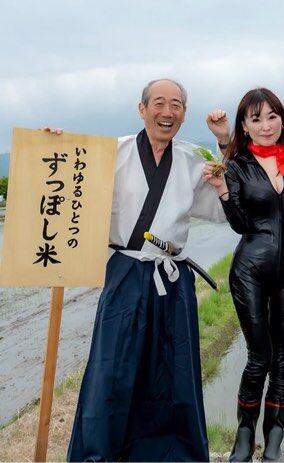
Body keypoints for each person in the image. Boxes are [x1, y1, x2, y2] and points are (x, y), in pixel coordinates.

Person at [64, 78, 227, 462]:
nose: (167, 112)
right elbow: (70, 182)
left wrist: (224, 148)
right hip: (126, 272)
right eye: (158, 103)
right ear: (142, 109)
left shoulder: (193, 160)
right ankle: (99, 454)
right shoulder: (112, 153)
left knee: (173, 371)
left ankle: (173, 455)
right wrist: (52, 147)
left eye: (176, 105)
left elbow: (224, 209)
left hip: (172, 278)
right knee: (112, 368)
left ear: (184, 114)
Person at [205, 88, 284, 462]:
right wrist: (222, 191)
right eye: (256, 119)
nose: (266, 125)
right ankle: (245, 436)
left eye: (272, 116)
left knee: (283, 356)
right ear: (245, 127)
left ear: (282, 120)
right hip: (250, 270)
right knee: (260, 355)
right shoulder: (237, 165)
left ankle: (275, 440)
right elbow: (240, 224)